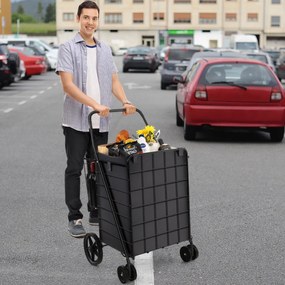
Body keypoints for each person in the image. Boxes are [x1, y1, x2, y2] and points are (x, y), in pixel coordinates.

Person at [56, 0, 136, 238]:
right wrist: (94, 104)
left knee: (98, 167)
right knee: (74, 168)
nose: (90, 22)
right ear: (78, 19)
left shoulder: (104, 49)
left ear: (98, 21)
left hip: (100, 121)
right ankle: (75, 217)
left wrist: (125, 101)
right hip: (76, 121)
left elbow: (113, 81)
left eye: (94, 18)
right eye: (86, 18)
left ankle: (96, 210)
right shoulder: (67, 47)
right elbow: (68, 86)